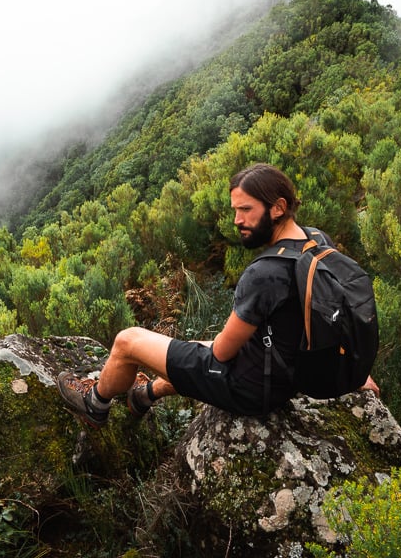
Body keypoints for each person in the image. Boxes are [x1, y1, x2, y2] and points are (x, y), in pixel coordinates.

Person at [57, 162, 378, 427]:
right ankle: (145, 395)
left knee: (129, 342)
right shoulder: (317, 240)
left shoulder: (266, 271)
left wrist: (182, 355)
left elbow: (222, 354)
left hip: (251, 390)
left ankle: (95, 404)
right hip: (286, 375)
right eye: (235, 210)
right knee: (190, 351)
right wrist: (352, 371)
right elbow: (327, 307)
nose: (238, 221)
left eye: (247, 210)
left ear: (278, 208)